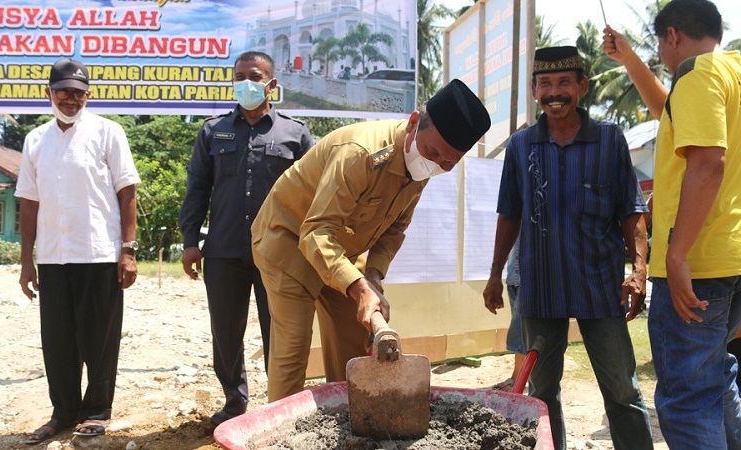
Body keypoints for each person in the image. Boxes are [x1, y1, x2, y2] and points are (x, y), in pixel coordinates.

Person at [251, 79, 491, 402]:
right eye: (433, 152)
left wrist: (373, 276)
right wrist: (357, 285)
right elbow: (316, 231)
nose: (436, 165)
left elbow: (394, 231)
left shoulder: (422, 169)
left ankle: (348, 428)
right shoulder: (360, 154)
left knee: (353, 352)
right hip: (289, 238)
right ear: (413, 123)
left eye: (449, 163)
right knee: (294, 350)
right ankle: (280, 435)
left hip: (340, 250)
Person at [483, 46, 653, 450]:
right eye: (545, 84)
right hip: (541, 291)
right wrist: (494, 274)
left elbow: (632, 211)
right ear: (534, 90)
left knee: (622, 390)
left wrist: (639, 269)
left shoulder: (610, 140)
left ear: (582, 86)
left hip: (600, 287)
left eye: (564, 83)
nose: (554, 92)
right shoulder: (521, 146)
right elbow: (509, 214)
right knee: (542, 394)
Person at [603, 1, 741, 448]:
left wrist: (677, 253)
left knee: (688, 400)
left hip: (700, 263)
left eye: (660, 45)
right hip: (733, 260)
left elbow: (708, 163)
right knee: (718, 381)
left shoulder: (698, 75)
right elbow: (671, 111)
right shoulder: (730, 74)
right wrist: (628, 59)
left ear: (673, 36)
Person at [179, 51, 313, 429]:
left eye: (254, 76)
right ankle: (235, 401)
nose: (246, 83)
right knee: (225, 330)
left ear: (271, 82)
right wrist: (191, 240)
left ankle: (279, 405)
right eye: (239, 76)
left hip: (279, 253)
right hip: (223, 250)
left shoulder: (295, 133)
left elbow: (314, 193)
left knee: (279, 330)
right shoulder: (212, 131)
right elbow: (197, 188)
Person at [15, 57, 141, 445]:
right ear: (48, 93)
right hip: (52, 257)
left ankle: (97, 411)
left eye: (79, 92)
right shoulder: (35, 139)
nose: (71, 99)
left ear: (89, 94)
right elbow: (29, 202)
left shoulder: (108, 132)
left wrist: (128, 249)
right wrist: (26, 261)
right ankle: (63, 412)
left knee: (99, 339)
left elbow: (127, 192)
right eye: (64, 91)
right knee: (57, 340)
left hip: (100, 253)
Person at [488, 240, 526, 392]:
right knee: (520, 329)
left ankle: (518, 379)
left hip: (529, 279)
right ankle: (518, 377)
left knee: (521, 332)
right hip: (514, 277)